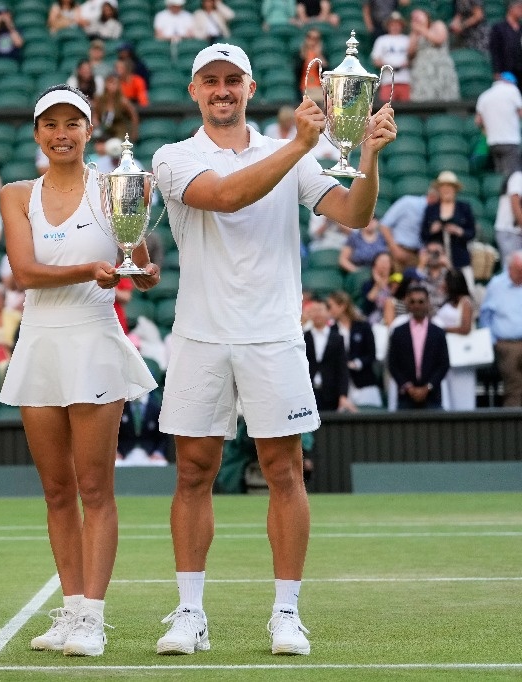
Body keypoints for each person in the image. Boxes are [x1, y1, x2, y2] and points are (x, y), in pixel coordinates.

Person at [150, 42, 395, 656]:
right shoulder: (173, 157)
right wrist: (299, 144)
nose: (223, 90)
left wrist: (366, 153)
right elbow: (227, 196)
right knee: (193, 473)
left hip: (274, 335)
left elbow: (353, 214)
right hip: (200, 335)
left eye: (234, 80)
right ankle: (189, 613)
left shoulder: (293, 150)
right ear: (195, 91)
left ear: (250, 89)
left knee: (285, 471)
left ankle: (286, 613)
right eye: (211, 81)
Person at [0, 85, 159, 657]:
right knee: (57, 490)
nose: (61, 133)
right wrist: (92, 268)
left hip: (93, 338)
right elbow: (24, 272)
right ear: (38, 133)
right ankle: (70, 611)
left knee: (96, 487)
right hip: (40, 339)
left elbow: (136, 259)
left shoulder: (115, 189)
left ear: (89, 130)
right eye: (51, 125)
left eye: (73, 123)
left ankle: (93, 615)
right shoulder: (17, 193)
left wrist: (139, 266)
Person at [387, 285, 449, 409]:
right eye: (412, 302)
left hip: (432, 396)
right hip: (406, 396)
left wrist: (428, 387)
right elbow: (392, 364)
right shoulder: (398, 332)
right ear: (407, 304)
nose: (417, 305)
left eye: (421, 301)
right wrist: (408, 387)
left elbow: (444, 364)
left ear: (427, 303)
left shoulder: (437, 332)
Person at [479, 250, 522, 407]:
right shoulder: (497, 285)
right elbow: (485, 316)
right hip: (506, 345)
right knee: (514, 388)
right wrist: (492, 341)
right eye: (518, 272)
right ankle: (513, 427)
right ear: (510, 268)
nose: (520, 276)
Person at [422, 171, 476, 289]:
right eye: (443, 187)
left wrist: (458, 231)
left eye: (449, 187)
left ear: (455, 189)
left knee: (467, 290)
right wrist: (433, 230)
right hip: (437, 262)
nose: (446, 190)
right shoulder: (431, 210)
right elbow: (423, 235)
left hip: (460, 259)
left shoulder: (464, 208)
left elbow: (471, 232)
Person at [328, 290, 382, 408]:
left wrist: (356, 363)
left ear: (342, 306)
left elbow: (371, 354)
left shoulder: (363, 326)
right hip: (341, 386)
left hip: (364, 382)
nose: (328, 310)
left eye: (330, 306)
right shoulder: (331, 330)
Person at [432, 269, 476, 410]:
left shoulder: (466, 302)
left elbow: (465, 328)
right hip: (446, 352)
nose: (443, 283)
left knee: (463, 395)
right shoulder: (447, 301)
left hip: (461, 355)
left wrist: (442, 329)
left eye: (446, 281)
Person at [304, 300, 354, 412]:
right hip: (308, 393)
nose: (317, 314)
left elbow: (342, 368)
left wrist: (343, 395)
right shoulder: (303, 338)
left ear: (328, 313)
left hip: (331, 393)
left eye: (320, 310)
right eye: (314, 311)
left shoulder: (337, 338)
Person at [475, 72, 522, 177]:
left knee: (500, 176)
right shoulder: (512, 91)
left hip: (493, 143)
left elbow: (478, 121)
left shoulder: (484, 96)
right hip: (510, 141)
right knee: (513, 176)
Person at [408, 8, 459, 103]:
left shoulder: (438, 25)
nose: (416, 18)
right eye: (414, 17)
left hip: (440, 68)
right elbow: (410, 53)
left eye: (419, 15)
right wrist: (415, 33)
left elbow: (439, 39)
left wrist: (422, 29)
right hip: (422, 71)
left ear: (426, 15)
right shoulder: (415, 32)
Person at [379, 185, 435, 270]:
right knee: (396, 281)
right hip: (398, 252)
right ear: (432, 196)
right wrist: (395, 249)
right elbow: (384, 225)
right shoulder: (408, 202)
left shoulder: (434, 213)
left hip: (418, 256)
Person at [372, 12, 410, 102]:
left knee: (407, 109)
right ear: (388, 26)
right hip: (388, 80)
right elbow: (376, 60)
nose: (395, 27)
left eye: (398, 24)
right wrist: (389, 66)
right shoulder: (382, 40)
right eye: (393, 24)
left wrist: (406, 64)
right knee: (386, 107)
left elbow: (413, 58)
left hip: (405, 79)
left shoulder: (407, 39)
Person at [92, 74, 139, 141]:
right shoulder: (99, 99)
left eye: (114, 83)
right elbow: (95, 112)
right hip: (104, 130)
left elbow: (133, 115)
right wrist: (95, 119)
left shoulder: (123, 101)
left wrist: (134, 132)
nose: (112, 86)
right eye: (110, 83)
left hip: (119, 131)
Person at [489, 1, 522, 91]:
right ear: (511, 8)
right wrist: (497, 71)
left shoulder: (520, 28)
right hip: (506, 70)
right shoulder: (499, 28)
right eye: (519, 7)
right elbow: (495, 50)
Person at [493, 166, 522, 261]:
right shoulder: (518, 176)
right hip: (509, 232)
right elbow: (515, 205)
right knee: (511, 269)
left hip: (517, 233)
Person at [360, 251, 395, 324]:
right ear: (374, 264)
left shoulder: (395, 283)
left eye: (386, 261)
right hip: (373, 320)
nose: (383, 264)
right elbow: (366, 308)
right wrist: (377, 285)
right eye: (381, 261)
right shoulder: (368, 285)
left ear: (391, 265)